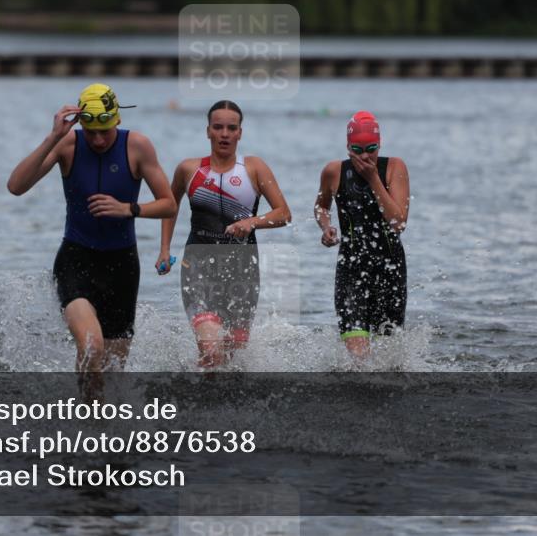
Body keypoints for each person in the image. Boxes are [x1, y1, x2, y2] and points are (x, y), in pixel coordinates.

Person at [7, 83, 176, 375]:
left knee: (112, 372)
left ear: (117, 120)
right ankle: (86, 419)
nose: (97, 140)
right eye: (90, 132)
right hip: (77, 259)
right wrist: (53, 137)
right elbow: (16, 186)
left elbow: (169, 204)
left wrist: (129, 209)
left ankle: (99, 419)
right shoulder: (67, 144)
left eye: (105, 131)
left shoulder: (137, 146)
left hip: (122, 267)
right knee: (90, 347)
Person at [158, 100, 291, 367]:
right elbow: (169, 207)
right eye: (218, 127)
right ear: (208, 131)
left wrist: (252, 222)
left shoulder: (254, 168)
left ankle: (217, 402)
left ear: (240, 133)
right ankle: (203, 404)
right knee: (210, 347)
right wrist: (164, 249)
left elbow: (283, 214)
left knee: (233, 353)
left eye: (231, 128)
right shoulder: (189, 169)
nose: (225, 134)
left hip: (242, 266)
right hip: (197, 262)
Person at [314, 111, 410, 360]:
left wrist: (373, 178)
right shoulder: (333, 171)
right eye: (357, 149)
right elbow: (320, 206)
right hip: (351, 269)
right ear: (347, 146)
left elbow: (398, 222)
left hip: (390, 269)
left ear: (380, 144)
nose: (365, 155)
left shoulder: (394, 167)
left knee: (387, 360)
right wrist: (326, 227)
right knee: (359, 359)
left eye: (371, 148)